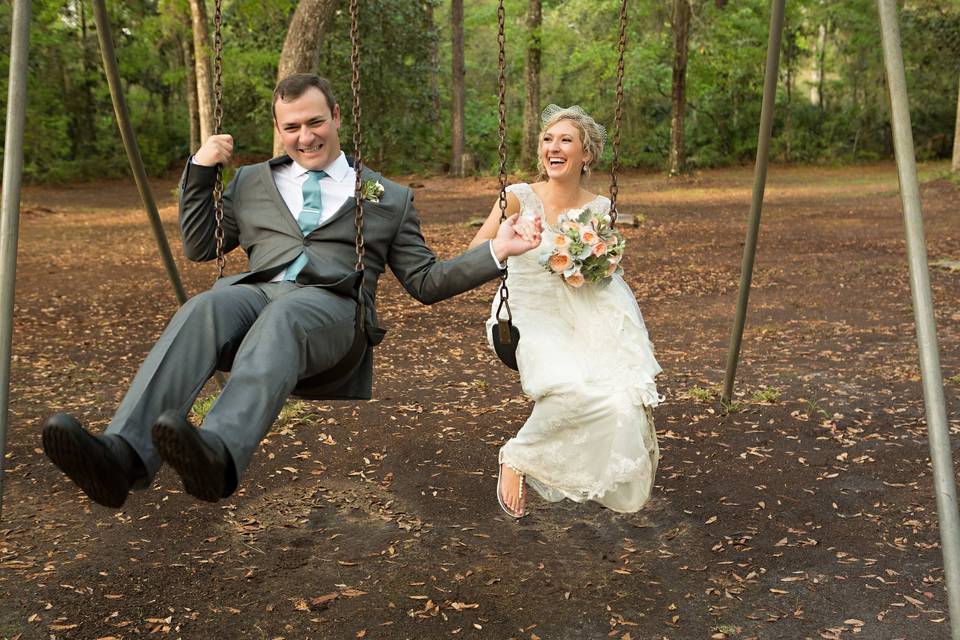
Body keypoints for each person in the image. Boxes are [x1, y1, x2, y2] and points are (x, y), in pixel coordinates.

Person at [42, 73, 540, 508]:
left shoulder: (388, 196)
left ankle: (217, 454)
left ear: (336, 116)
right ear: (278, 129)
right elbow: (200, 246)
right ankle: (121, 457)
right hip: (256, 294)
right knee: (205, 306)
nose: (305, 137)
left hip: (332, 312)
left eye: (314, 122)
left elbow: (426, 281)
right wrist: (199, 171)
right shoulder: (251, 181)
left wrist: (495, 250)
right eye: (292, 127)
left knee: (288, 314)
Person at [469, 105, 661, 518]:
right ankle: (518, 455)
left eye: (565, 140)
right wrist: (503, 242)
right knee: (570, 383)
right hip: (526, 315)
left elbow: (603, 273)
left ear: (585, 155)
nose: (553, 148)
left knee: (620, 400)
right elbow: (471, 256)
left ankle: (537, 459)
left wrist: (592, 260)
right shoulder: (517, 197)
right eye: (547, 140)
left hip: (585, 315)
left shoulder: (599, 206)